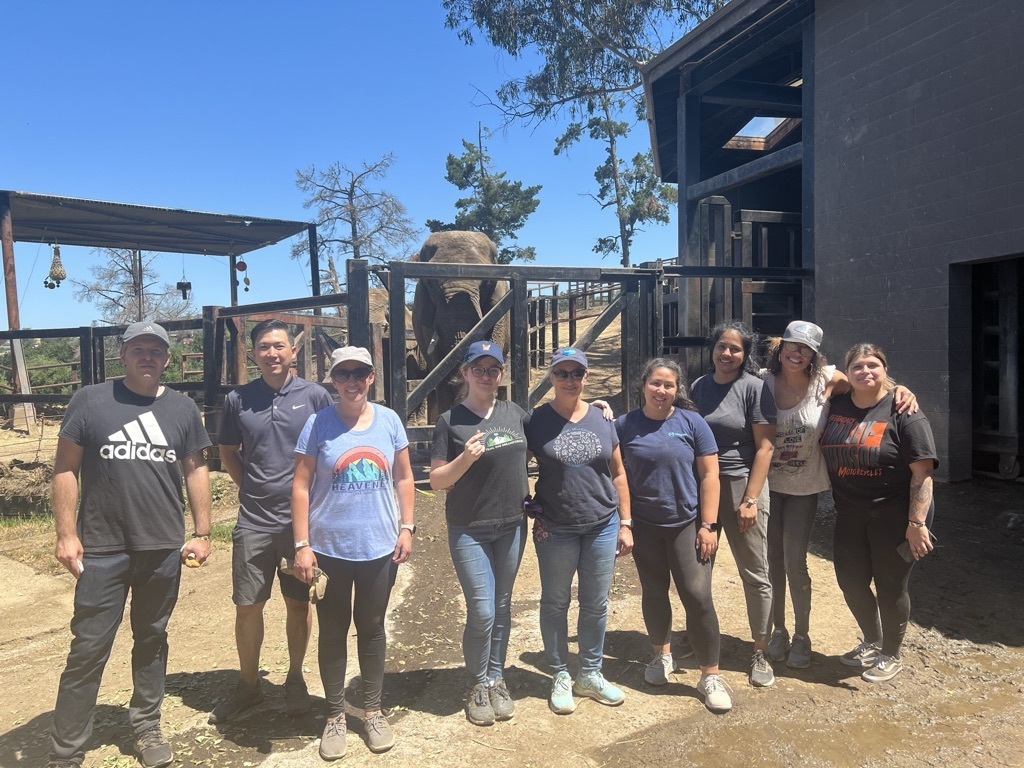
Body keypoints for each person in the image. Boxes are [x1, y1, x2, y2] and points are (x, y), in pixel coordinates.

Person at [48, 322, 212, 768]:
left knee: (152, 637)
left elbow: (195, 468)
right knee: (88, 647)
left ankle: (146, 726)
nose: (148, 357)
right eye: (139, 349)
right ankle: (67, 749)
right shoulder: (91, 400)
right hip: (101, 548)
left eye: (156, 351)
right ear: (122, 355)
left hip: (162, 547)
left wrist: (202, 532)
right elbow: (65, 468)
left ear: (166, 359)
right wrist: (66, 534)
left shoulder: (181, 408)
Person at [762, 322, 918, 670]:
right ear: (780, 346)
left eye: (806, 349)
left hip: (804, 488)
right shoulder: (762, 382)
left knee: (793, 563)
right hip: (767, 488)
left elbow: (871, 385)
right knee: (771, 565)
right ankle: (778, 631)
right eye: (791, 345)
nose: (796, 353)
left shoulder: (828, 381)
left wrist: (901, 390)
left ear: (814, 356)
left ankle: (802, 635)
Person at [291, 346, 415, 760]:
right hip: (330, 550)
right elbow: (301, 485)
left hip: (379, 547)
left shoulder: (390, 421)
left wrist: (407, 527)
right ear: (333, 379)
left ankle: (373, 710)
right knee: (332, 629)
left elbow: (403, 476)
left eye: (359, 373)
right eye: (343, 374)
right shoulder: (317, 424)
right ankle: (334, 715)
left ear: (371, 377)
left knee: (372, 627)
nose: (352, 381)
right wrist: (302, 544)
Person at [209, 319, 333, 724]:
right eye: (264, 347)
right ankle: (248, 686)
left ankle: (295, 678)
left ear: (293, 352)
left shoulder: (315, 395)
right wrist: (251, 488)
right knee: (248, 606)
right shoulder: (238, 399)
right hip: (255, 522)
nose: (272, 353)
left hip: (302, 525)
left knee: (298, 605)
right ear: (254, 353)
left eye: (279, 346)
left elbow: (329, 451)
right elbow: (228, 452)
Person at [616, 358, 732, 713]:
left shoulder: (691, 423)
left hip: (686, 523)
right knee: (653, 591)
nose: (661, 391)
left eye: (669, 385)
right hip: (647, 526)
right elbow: (615, 473)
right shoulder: (624, 425)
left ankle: (709, 674)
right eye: (655, 383)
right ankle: (661, 655)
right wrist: (626, 522)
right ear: (643, 385)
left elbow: (711, 475)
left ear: (677, 389)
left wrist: (708, 525)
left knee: (697, 596)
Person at [523, 347, 632, 715]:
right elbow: (512, 465)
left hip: (602, 524)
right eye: (562, 373)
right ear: (551, 377)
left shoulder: (603, 418)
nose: (570, 380)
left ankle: (590, 672)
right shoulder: (535, 421)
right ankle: (559, 673)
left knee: (595, 603)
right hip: (556, 526)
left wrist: (626, 522)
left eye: (576, 373)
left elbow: (618, 473)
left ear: (586, 377)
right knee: (555, 601)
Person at [820, 343, 937, 683]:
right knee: (851, 582)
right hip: (850, 513)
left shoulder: (904, 411)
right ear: (848, 371)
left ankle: (891, 653)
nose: (866, 372)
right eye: (858, 366)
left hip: (896, 516)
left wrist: (916, 523)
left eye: (873, 365)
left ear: (885, 370)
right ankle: (872, 640)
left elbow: (923, 472)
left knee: (890, 586)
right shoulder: (837, 403)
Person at [429, 341, 528, 726]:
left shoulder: (515, 413)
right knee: (483, 610)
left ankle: (496, 677)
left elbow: (552, 432)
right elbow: (437, 480)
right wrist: (465, 459)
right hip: (469, 528)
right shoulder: (450, 420)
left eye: (493, 369)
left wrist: (602, 410)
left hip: (511, 525)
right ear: (465, 373)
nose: (486, 375)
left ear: (501, 374)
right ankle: (477, 681)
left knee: (502, 608)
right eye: (479, 368)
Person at [691, 321, 777, 687]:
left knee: (754, 573)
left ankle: (761, 649)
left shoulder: (754, 389)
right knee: (698, 570)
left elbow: (765, 447)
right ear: (712, 349)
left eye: (735, 349)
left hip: (743, 487)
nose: (727, 354)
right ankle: (702, 641)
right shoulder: (698, 386)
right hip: (703, 488)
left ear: (745, 354)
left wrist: (751, 499)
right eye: (721, 347)